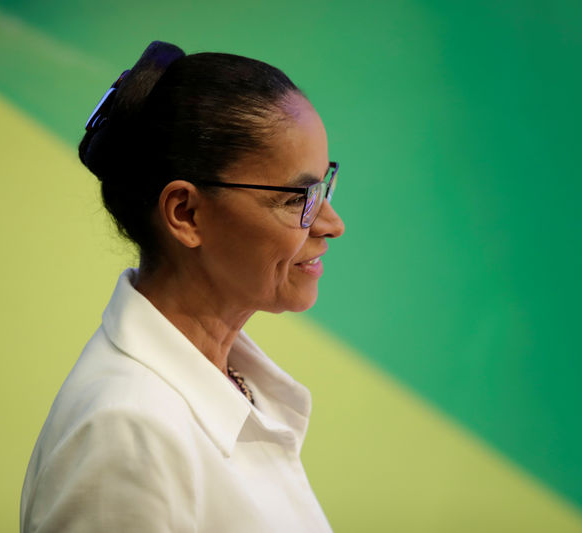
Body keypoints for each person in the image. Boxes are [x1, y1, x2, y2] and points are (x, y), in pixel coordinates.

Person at [20, 40, 345, 532]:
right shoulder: (125, 433)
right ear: (186, 214)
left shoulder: (226, 386)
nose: (330, 223)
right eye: (296, 197)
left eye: (324, 185)